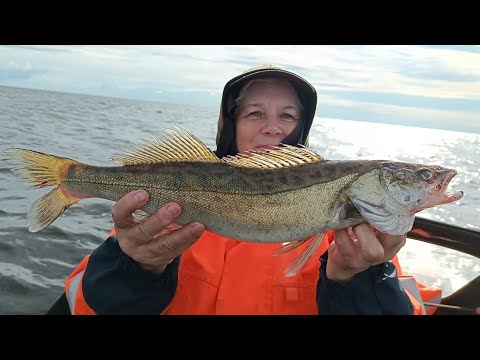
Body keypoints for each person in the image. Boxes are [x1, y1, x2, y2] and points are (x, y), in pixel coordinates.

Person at [61, 64, 441, 315]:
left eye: (288, 115)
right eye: (255, 113)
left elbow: (409, 306)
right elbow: (82, 303)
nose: (273, 128)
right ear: (231, 125)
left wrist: (358, 280)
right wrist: (134, 266)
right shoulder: (159, 217)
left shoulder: (355, 238)